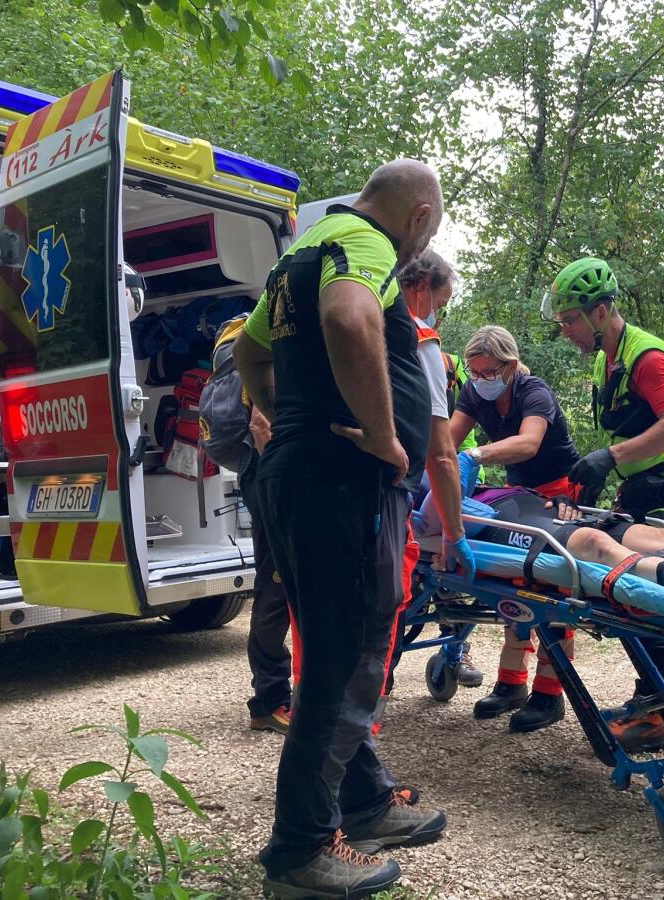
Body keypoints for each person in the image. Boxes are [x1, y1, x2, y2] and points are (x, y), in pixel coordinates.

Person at [233, 160, 458, 898]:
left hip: (301, 475)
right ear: (420, 215)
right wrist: (386, 436)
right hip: (342, 482)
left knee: (343, 643)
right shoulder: (364, 243)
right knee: (344, 659)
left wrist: (277, 418)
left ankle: (362, 804)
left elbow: (250, 349)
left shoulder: (301, 252)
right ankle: (299, 851)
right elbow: (349, 317)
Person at [544, 257, 664, 754]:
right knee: (632, 582)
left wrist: (610, 457)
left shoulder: (646, 356)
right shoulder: (606, 359)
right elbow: (625, 425)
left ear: (599, 313)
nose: (567, 331)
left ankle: (656, 714)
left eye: (571, 320)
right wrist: (602, 472)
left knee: (648, 579)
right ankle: (654, 703)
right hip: (642, 482)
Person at [450, 325, 582, 732]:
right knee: (514, 585)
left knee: (553, 589)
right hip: (519, 492)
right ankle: (511, 684)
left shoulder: (533, 392)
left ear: (509, 366)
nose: (480, 381)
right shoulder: (475, 391)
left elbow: (528, 443)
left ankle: (549, 694)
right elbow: (450, 437)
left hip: (560, 491)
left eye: (487, 372)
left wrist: (477, 453)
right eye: (474, 373)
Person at [411, 479, 664, 603]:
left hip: (528, 502)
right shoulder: (410, 489)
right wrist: (464, 461)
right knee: (594, 544)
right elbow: (432, 511)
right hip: (494, 524)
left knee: (656, 534)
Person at [397, 250, 484, 691]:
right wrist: (454, 535)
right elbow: (442, 453)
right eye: (441, 301)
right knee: (386, 606)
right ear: (420, 285)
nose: (440, 314)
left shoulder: (354, 317)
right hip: (395, 491)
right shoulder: (418, 339)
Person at [241, 404, 294, 735]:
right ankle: (269, 701)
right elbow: (261, 423)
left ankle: (272, 698)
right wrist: (278, 485)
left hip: (277, 475)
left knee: (279, 587)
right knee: (275, 590)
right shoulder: (270, 352)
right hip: (276, 479)